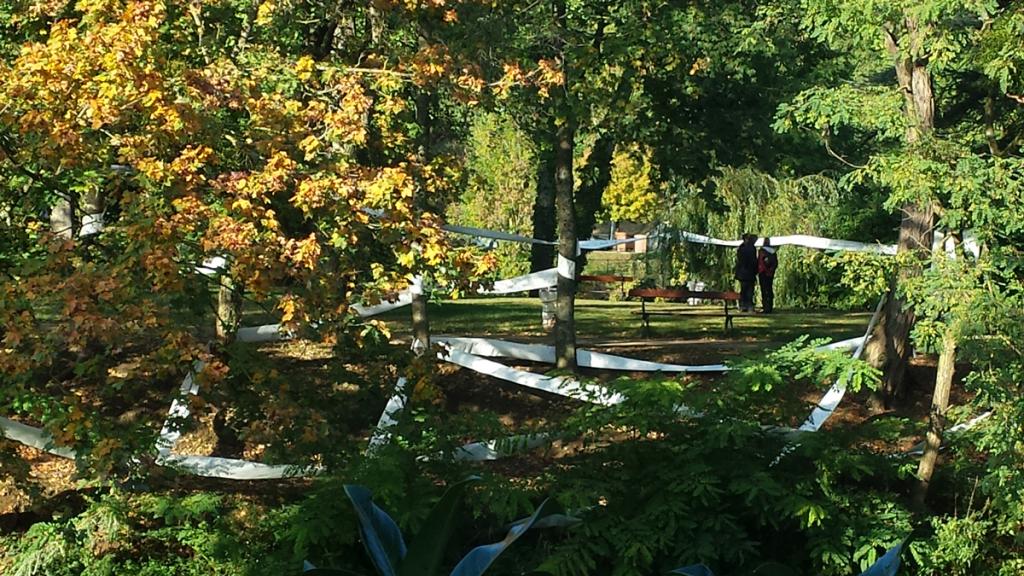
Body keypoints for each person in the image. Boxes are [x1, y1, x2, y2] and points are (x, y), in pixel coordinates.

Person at [734, 233, 757, 312]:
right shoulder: (751, 248)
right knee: (749, 290)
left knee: (744, 290)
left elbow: (739, 261)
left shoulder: (740, 248)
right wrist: (755, 270)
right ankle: (749, 305)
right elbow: (753, 261)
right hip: (749, 272)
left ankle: (742, 305)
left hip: (742, 273)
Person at [757, 237, 778, 313]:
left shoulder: (762, 251)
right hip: (770, 274)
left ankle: (766, 307)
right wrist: (771, 270)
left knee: (764, 290)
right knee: (769, 289)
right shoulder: (773, 252)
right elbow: (775, 263)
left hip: (763, 273)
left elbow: (760, 262)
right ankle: (770, 306)